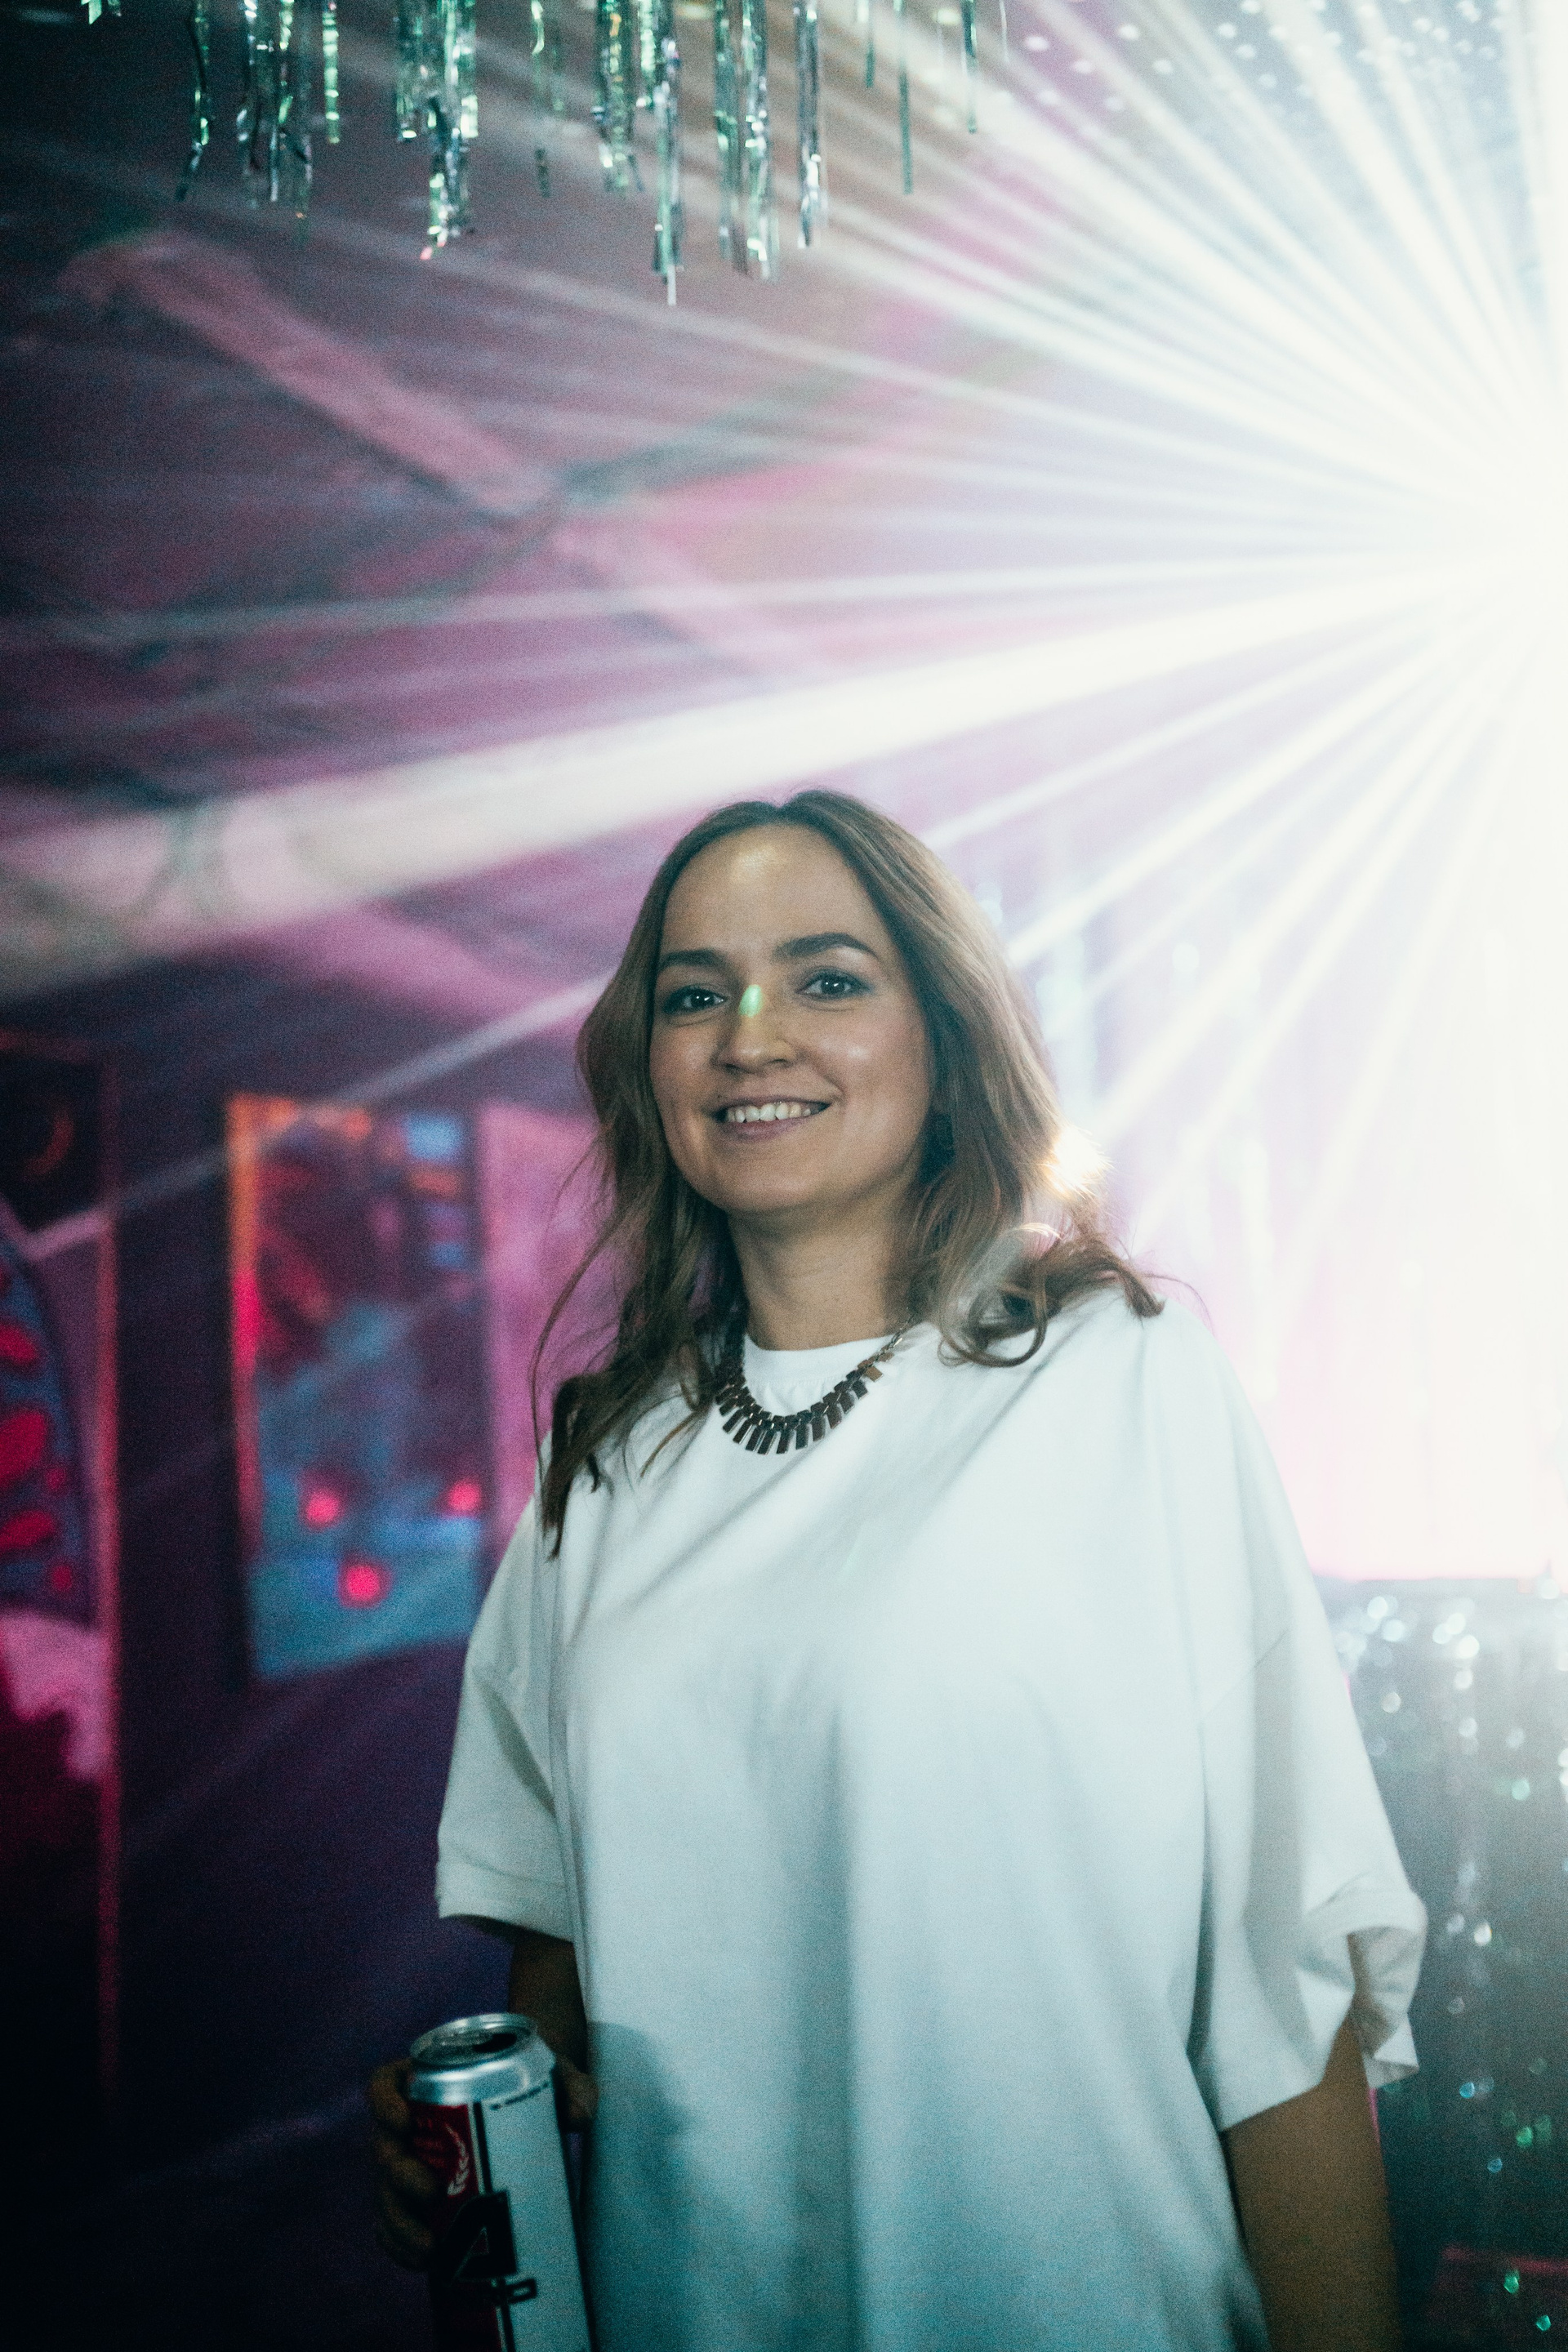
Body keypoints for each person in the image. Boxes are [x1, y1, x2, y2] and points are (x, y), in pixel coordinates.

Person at [370, 790, 1425, 2352]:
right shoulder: (604, 1469)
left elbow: (1286, 1996)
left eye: (827, 978)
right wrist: (477, 2138)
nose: (752, 1037)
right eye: (695, 995)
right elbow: (567, 1964)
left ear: (945, 1037)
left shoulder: (1120, 1384)